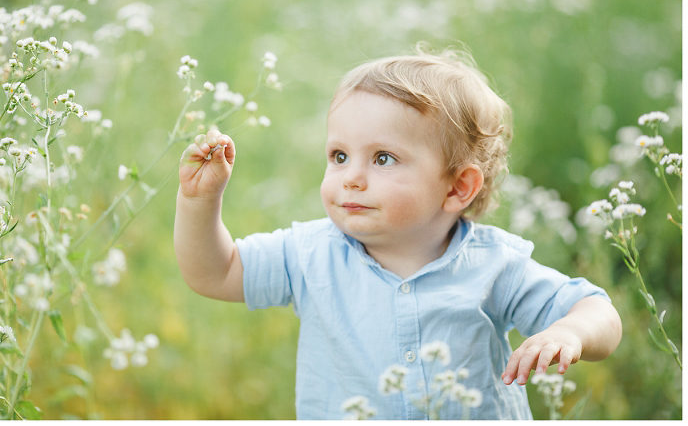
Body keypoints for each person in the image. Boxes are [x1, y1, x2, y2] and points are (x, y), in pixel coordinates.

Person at [173, 45, 622, 419]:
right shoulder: (310, 254)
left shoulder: (493, 265)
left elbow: (597, 310)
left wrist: (570, 334)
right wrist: (199, 202)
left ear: (457, 186)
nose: (351, 177)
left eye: (383, 158)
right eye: (339, 156)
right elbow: (217, 272)